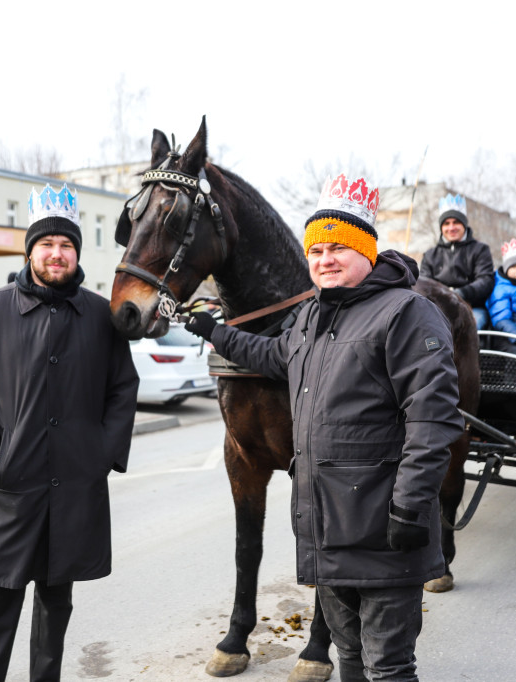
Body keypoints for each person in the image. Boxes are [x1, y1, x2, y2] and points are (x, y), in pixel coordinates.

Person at [186, 173, 463, 681]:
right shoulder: (312, 317)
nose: (325, 259)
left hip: (384, 527)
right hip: (327, 527)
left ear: (367, 251)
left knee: (389, 665)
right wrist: (214, 331)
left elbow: (433, 419)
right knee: (350, 657)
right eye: (316, 250)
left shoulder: (408, 313)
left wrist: (408, 506)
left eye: (339, 246)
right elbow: (273, 356)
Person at [0, 183, 138, 682]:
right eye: (47, 245)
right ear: (30, 250)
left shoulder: (100, 315)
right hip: (9, 486)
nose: (57, 254)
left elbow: (122, 389)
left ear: (76, 253)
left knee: (56, 601)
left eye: (66, 245)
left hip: (74, 487)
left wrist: (102, 455)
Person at [420, 193, 495, 329]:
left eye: (456, 222)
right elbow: (424, 285)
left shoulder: (480, 250)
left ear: (464, 224)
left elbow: (486, 281)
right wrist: (444, 297)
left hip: (473, 307)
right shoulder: (430, 255)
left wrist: (462, 293)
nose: (451, 228)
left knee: (469, 329)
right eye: (447, 223)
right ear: (441, 227)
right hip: (437, 308)